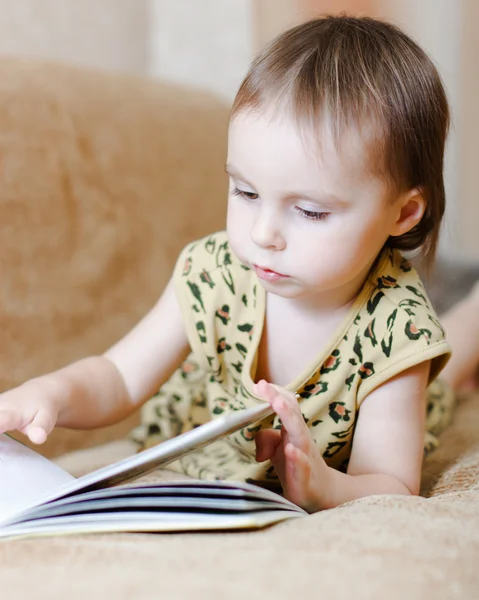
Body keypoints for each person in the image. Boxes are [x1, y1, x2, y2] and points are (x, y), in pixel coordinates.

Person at [0, 15, 476, 513]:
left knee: (438, 383)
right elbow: (119, 377)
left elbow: (390, 483)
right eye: (246, 192)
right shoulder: (214, 271)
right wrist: (51, 392)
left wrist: (324, 486)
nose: (262, 234)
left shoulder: (398, 330)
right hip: (209, 449)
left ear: (402, 213)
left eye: (310, 211)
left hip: (379, 399)